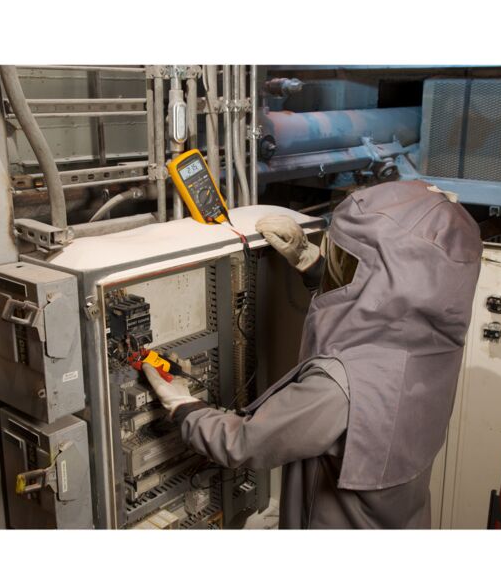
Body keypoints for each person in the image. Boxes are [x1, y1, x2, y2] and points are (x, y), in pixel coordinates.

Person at [143, 179, 483, 529]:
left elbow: (243, 443)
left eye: (351, 258)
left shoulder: (341, 387)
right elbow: (375, 312)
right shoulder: (437, 345)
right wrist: (316, 266)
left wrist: (182, 405)